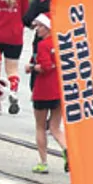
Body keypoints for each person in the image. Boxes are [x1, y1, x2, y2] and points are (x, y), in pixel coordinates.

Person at [27, 13, 63, 171]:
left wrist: (32, 68)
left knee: (40, 127)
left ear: (48, 28)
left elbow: (45, 66)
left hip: (43, 90)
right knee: (55, 127)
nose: (37, 30)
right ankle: (67, 150)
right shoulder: (61, 43)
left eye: (40, 26)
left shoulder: (43, 45)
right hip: (59, 89)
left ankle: (43, 162)